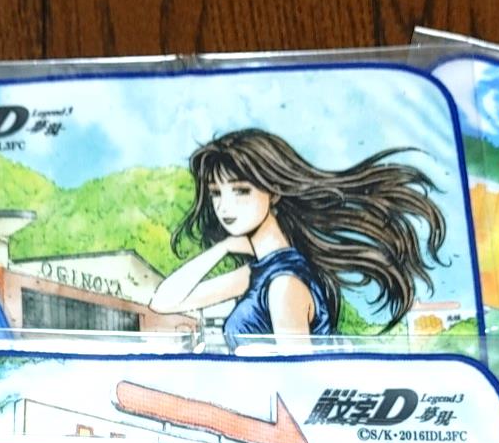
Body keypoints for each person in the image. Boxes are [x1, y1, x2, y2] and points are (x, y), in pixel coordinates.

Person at [148, 129, 445, 347]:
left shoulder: (284, 283)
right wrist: (223, 248)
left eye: (241, 191)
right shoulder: (263, 272)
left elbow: (296, 377)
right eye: (216, 193)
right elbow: (163, 302)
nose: (224, 207)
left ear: (273, 191)